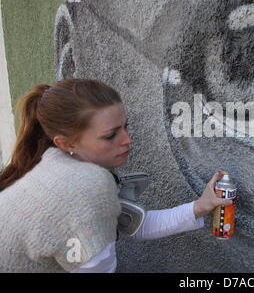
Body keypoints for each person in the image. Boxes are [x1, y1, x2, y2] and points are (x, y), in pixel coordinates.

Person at [0, 78, 231, 273]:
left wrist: (199, 207)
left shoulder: (60, 161)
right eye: (111, 135)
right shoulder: (79, 191)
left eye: (125, 126)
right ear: (66, 142)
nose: (127, 140)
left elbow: (134, 225)